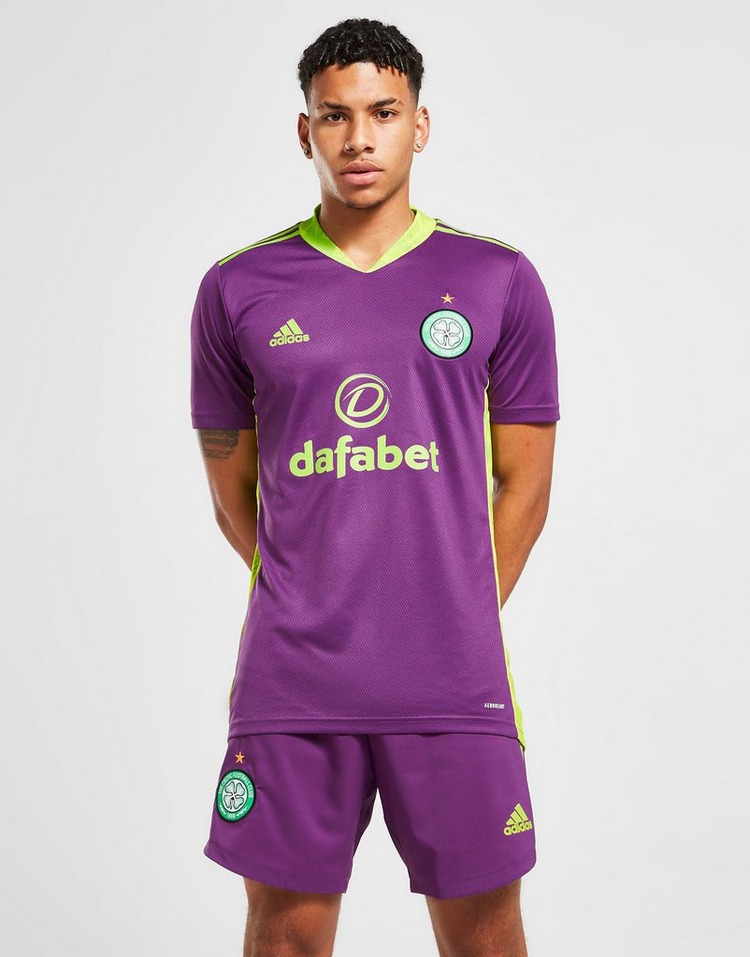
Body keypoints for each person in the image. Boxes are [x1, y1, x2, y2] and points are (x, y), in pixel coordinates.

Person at [190, 16, 560, 957]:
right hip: (294, 680)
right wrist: (316, 592)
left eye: (383, 113)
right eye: (336, 115)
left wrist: (451, 609)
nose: (359, 138)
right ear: (304, 130)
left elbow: (523, 484)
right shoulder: (237, 287)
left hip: (455, 681)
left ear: (419, 125)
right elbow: (234, 490)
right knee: (285, 936)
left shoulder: (497, 279)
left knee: (486, 939)